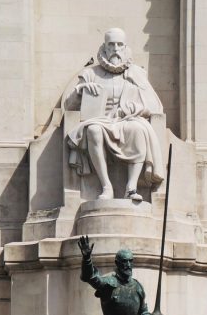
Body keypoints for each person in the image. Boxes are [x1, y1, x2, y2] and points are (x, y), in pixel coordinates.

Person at [64, 28, 165, 201]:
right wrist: (80, 91)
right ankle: (106, 187)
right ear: (104, 47)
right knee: (93, 130)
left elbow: (155, 107)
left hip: (126, 120)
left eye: (120, 45)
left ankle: (131, 188)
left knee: (138, 129)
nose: (116, 49)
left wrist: (134, 107)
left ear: (125, 47)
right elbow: (69, 106)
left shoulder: (136, 73)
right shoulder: (90, 73)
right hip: (99, 121)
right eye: (111, 45)